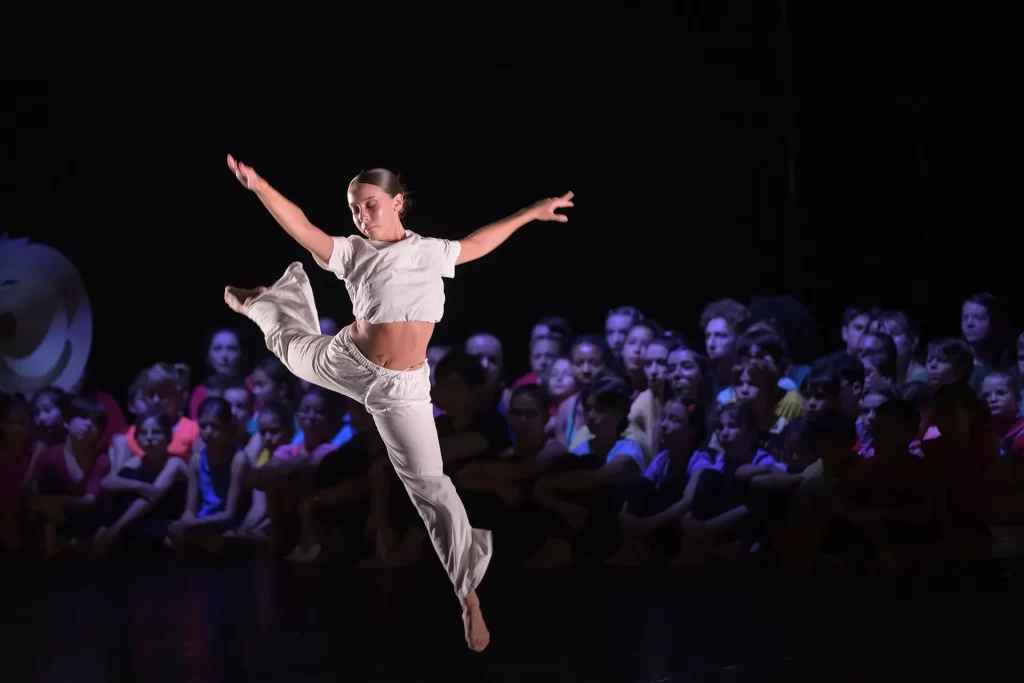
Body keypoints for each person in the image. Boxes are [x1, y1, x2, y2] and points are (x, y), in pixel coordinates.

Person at [222, 154, 573, 651]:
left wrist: (531, 212)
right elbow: (301, 226)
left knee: (431, 487)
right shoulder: (353, 252)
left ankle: (468, 595)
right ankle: (260, 303)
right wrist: (259, 186)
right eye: (354, 209)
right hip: (347, 360)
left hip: (402, 390)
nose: (362, 216)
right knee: (288, 348)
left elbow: (480, 242)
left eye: (370, 206)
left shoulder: (430, 252)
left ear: (398, 203)